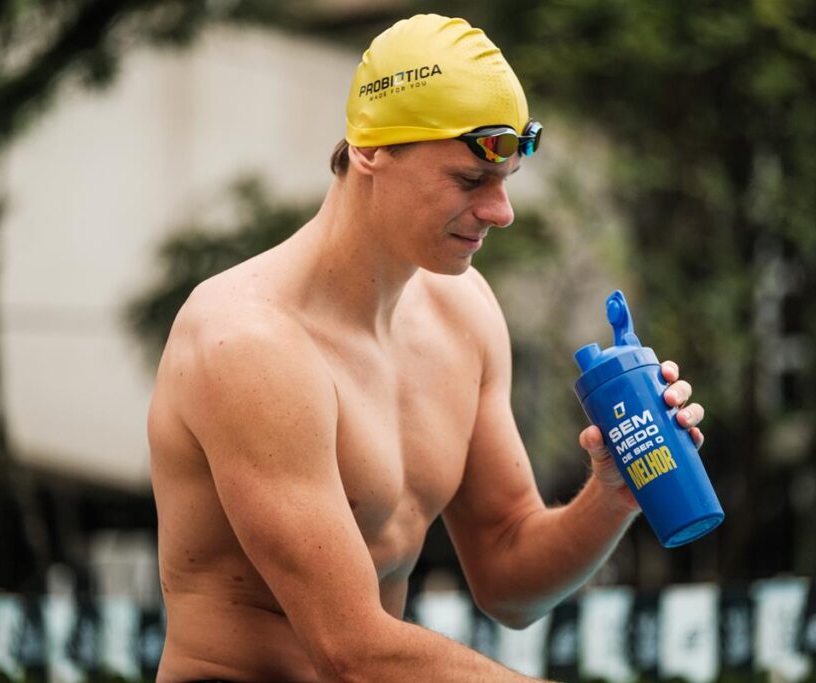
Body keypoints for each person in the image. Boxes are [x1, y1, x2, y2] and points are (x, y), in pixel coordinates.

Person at [148, 13, 706, 683]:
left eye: (505, 181)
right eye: (471, 181)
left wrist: (613, 492)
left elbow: (508, 575)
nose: (502, 211)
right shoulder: (248, 341)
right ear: (369, 150)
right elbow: (349, 647)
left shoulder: (462, 316)